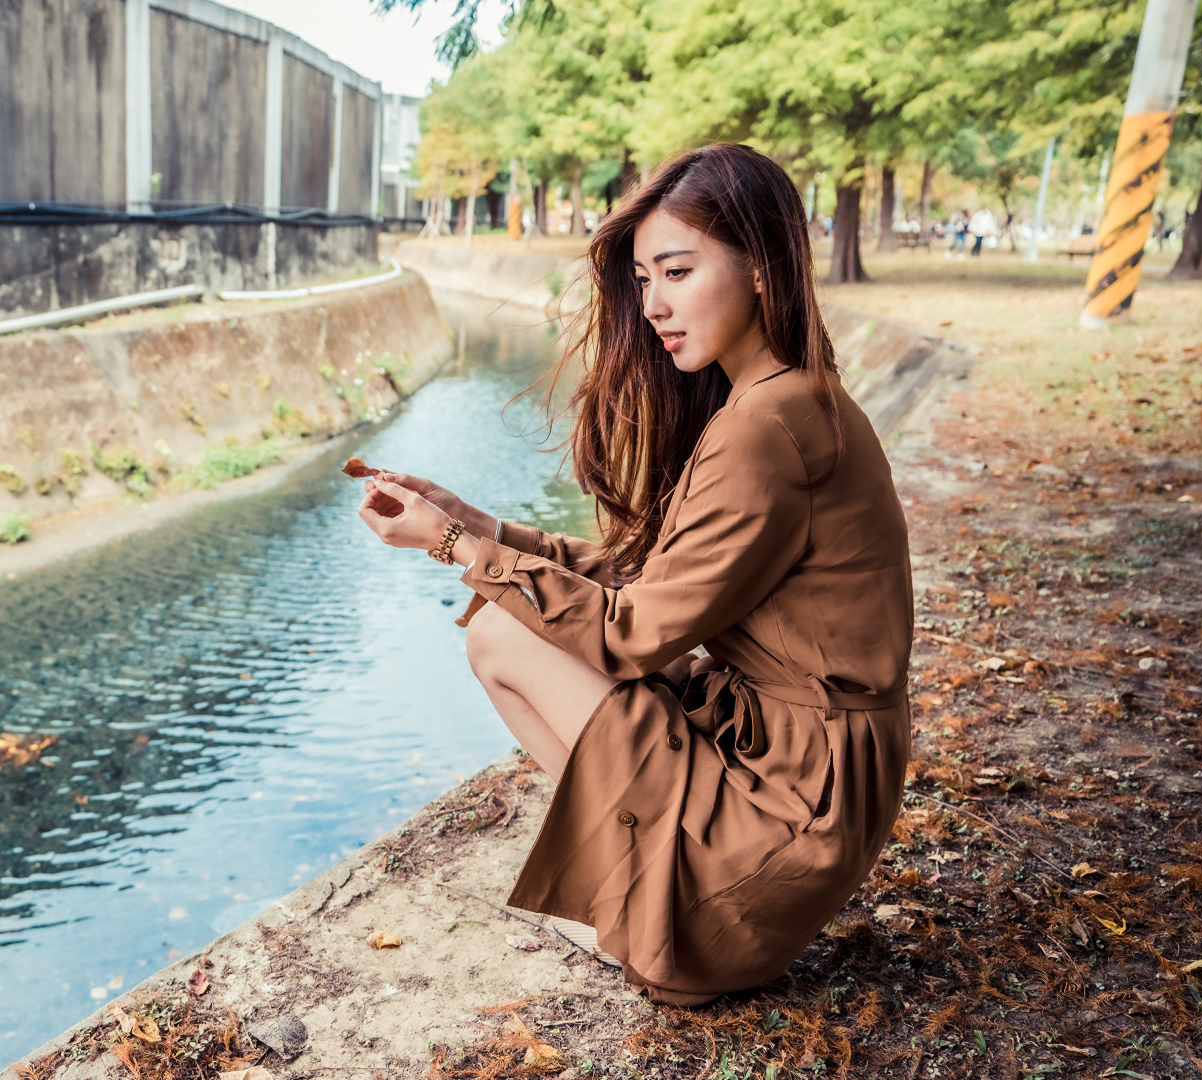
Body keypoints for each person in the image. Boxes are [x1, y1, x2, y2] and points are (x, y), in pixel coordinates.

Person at [354, 142, 911, 1007]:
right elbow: (650, 574)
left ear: (761, 267)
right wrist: (479, 524)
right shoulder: (789, 397)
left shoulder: (768, 426)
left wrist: (448, 549)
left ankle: (656, 912)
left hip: (789, 813)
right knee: (511, 620)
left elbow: (629, 632)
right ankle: (637, 885)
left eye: (677, 272)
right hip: (810, 787)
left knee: (503, 630)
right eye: (644, 279)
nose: (653, 305)